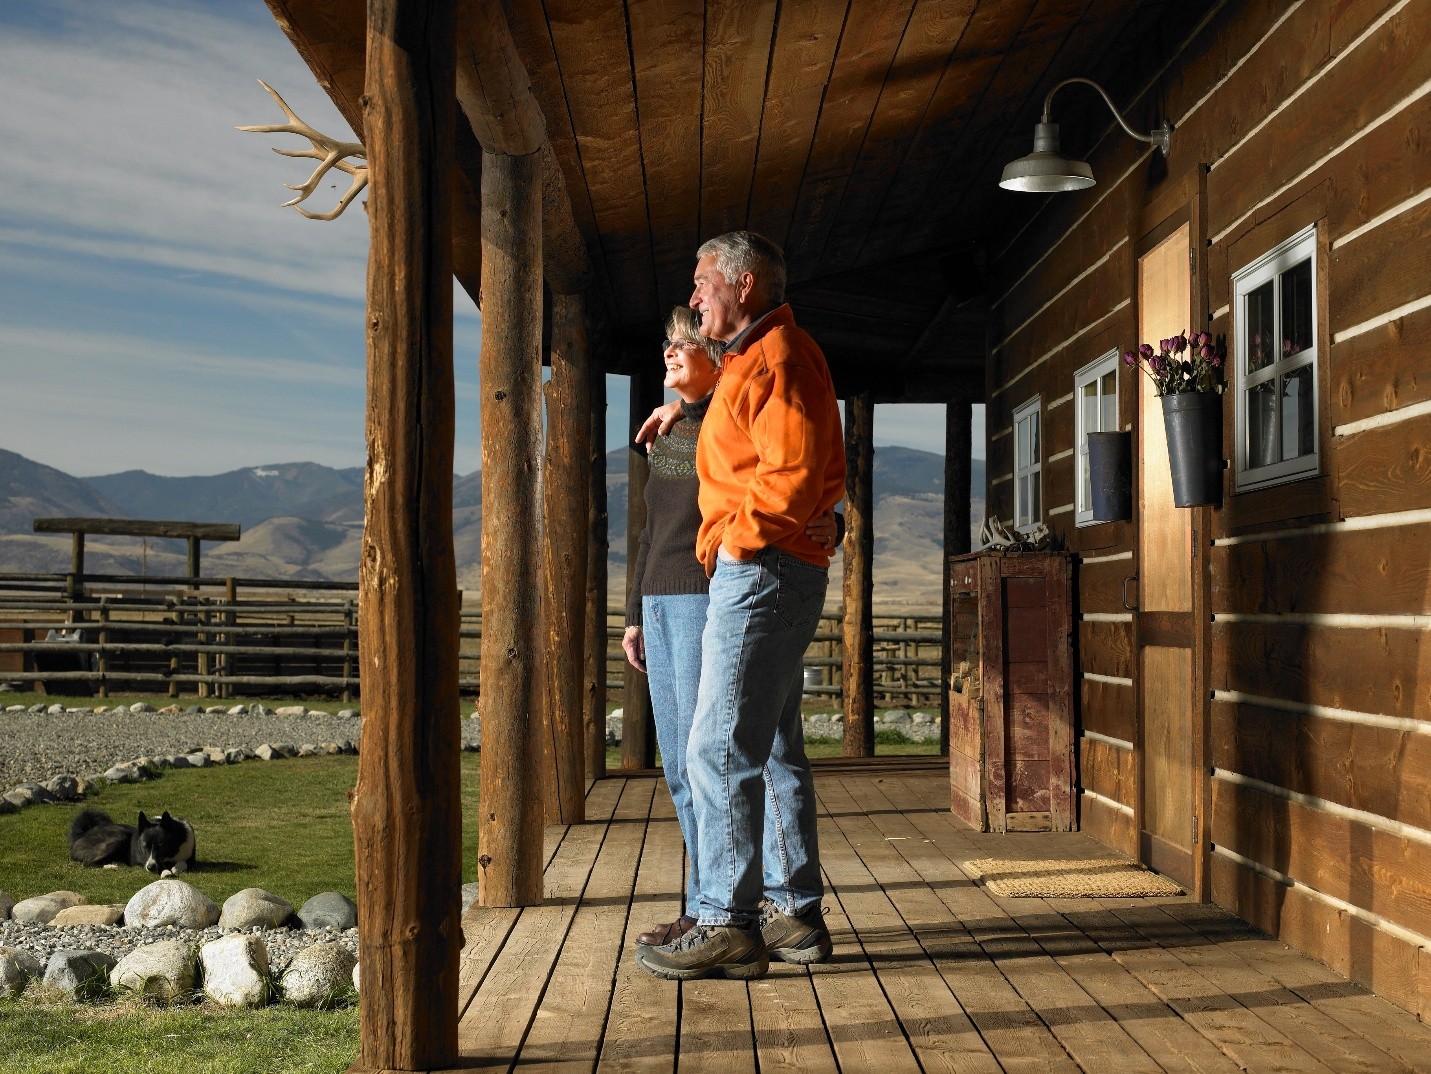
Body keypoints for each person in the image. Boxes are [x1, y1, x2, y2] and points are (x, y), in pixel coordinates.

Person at [637, 231, 845, 981]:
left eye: (703, 283)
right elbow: (751, 447)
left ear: (744, 283)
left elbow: (792, 475)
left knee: (717, 746)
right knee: (767, 742)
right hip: (763, 565)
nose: (694, 298)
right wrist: (678, 409)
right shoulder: (748, 363)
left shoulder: (781, 356)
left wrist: (734, 542)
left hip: (759, 569)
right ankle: (792, 914)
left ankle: (726, 921)